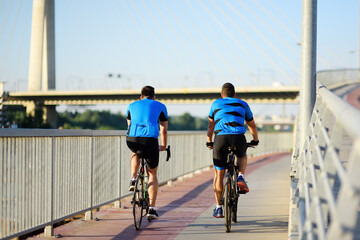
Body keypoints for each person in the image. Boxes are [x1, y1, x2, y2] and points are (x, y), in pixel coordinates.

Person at [206, 82, 259, 218]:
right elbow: (251, 124)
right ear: (234, 94)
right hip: (238, 138)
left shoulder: (215, 104)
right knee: (242, 155)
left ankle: (218, 208)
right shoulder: (243, 104)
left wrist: (209, 141)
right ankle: (241, 176)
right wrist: (255, 139)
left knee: (219, 174)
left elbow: (211, 126)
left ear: (222, 95)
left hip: (220, 139)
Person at [126, 86, 168, 220]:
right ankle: (152, 209)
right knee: (152, 174)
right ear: (154, 97)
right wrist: (163, 145)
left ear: (141, 97)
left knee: (135, 153)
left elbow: (129, 125)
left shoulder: (131, 105)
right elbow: (163, 129)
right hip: (150, 140)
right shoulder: (160, 106)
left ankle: (133, 178)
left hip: (132, 139)